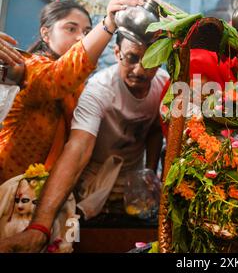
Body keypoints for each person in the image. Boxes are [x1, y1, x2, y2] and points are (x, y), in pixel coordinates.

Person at [0, 32, 168, 252]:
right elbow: (78, 149)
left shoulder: (164, 84)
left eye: (150, 62)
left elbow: (156, 129)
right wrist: (40, 227)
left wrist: (149, 175)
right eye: (131, 58)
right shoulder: (98, 89)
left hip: (133, 193)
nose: (140, 70)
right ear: (117, 53)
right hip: (89, 189)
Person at [0, 0, 145, 184]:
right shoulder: (30, 66)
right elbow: (60, 75)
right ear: (45, 33)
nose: (80, 37)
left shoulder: (81, 85)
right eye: (71, 29)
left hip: (44, 185)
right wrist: (108, 24)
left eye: (86, 32)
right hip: (9, 180)